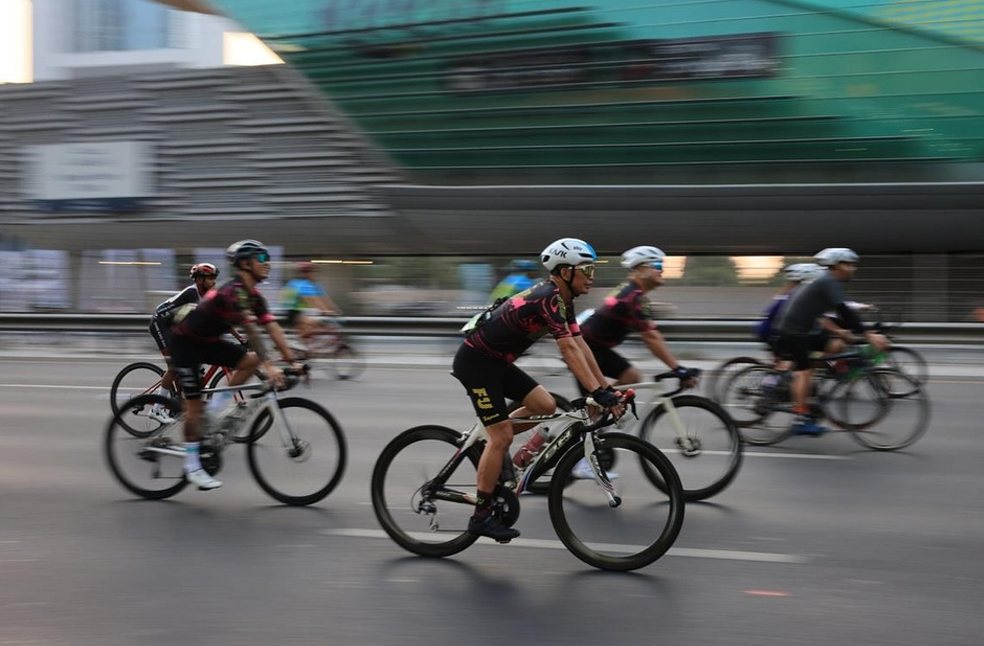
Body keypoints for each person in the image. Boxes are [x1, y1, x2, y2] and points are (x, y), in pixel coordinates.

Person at [452, 237, 623, 542]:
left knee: (545, 405)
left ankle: (493, 447)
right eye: (587, 269)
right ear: (566, 271)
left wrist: (603, 387)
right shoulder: (549, 296)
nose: (592, 276)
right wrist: (597, 392)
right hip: (476, 362)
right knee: (502, 435)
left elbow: (581, 345)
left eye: (593, 269)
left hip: (497, 362)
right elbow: (568, 350)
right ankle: (480, 517)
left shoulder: (563, 300)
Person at [169, 240, 300, 490]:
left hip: (207, 342)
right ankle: (192, 466)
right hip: (185, 343)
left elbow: (272, 328)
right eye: (262, 259)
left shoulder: (255, 296)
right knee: (194, 409)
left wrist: (293, 361)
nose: (268, 263)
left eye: (268, 258)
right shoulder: (233, 292)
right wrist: (272, 367)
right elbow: (251, 329)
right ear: (245, 263)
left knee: (252, 360)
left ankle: (216, 409)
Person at [773, 248, 890, 436]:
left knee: (836, 345)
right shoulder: (828, 281)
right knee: (804, 371)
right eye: (850, 265)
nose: (853, 269)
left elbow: (829, 316)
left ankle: (822, 378)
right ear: (837, 266)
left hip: (808, 329)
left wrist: (844, 332)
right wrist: (868, 334)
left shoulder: (827, 282)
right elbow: (844, 310)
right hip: (794, 332)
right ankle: (800, 418)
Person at [579, 246, 698, 391]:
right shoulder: (633, 296)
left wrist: (676, 367)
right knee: (623, 383)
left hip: (593, 347)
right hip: (585, 349)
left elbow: (653, 333)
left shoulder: (634, 293)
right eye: (657, 266)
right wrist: (677, 368)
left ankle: (599, 408)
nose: (662, 270)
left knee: (631, 378)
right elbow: (650, 338)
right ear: (641, 271)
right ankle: (597, 408)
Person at [146, 262, 220, 423]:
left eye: (215, 278)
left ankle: (180, 399)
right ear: (200, 279)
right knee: (174, 366)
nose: (214, 282)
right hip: (160, 323)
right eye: (211, 278)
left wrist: (239, 337)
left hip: (174, 325)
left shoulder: (206, 295)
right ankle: (156, 409)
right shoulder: (192, 294)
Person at [280, 261, 343, 343]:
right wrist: (325, 311)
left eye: (314, 272)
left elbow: (325, 299)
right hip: (293, 311)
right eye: (311, 272)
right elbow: (312, 300)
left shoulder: (314, 284)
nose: (314, 274)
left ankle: (305, 347)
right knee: (315, 325)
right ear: (304, 274)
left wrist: (336, 310)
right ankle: (294, 345)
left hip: (302, 311)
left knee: (318, 327)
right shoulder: (301, 284)